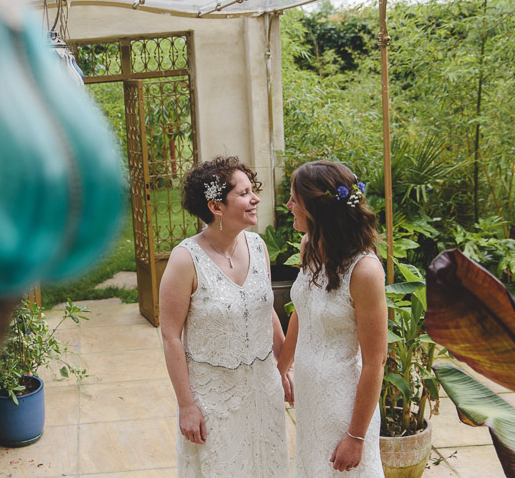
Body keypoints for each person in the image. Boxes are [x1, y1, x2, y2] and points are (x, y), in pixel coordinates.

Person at [160, 156, 290, 477]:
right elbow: (170, 336)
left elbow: (264, 307)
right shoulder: (184, 260)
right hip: (213, 399)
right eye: (244, 193)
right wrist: (187, 405)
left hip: (262, 391)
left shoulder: (258, 246)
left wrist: (283, 365)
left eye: (252, 190)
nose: (255, 199)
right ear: (216, 207)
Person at [277, 160, 388, 476]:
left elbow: (375, 361)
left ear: (316, 208)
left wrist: (356, 435)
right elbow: (303, 311)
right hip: (311, 399)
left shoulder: (364, 271)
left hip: (344, 406)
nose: (288, 206)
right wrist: (281, 369)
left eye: (295, 199)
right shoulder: (309, 245)